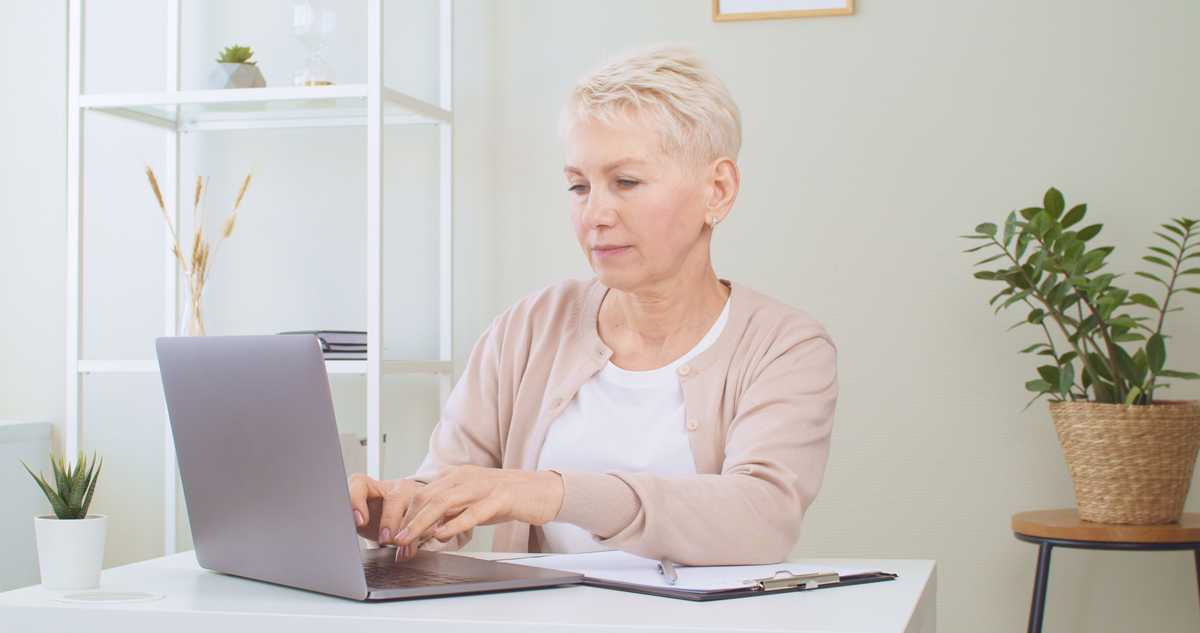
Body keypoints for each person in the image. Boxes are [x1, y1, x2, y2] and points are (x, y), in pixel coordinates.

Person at [347, 42, 838, 567]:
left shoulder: (785, 347)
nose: (595, 214)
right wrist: (387, 512)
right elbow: (446, 492)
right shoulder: (529, 327)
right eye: (579, 186)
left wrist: (554, 493)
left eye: (626, 182)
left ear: (717, 189)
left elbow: (760, 521)